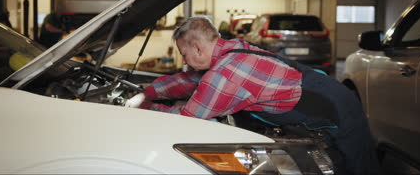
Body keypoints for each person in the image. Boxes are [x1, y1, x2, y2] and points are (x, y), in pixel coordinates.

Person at [127, 15, 379, 175]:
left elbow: (187, 117)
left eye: (184, 53)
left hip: (336, 108)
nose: (184, 60)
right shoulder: (231, 48)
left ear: (197, 47)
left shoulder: (226, 73)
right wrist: (147, 91)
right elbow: (188, 80)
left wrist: (142, 107)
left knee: (359, 167)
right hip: (321, 93)